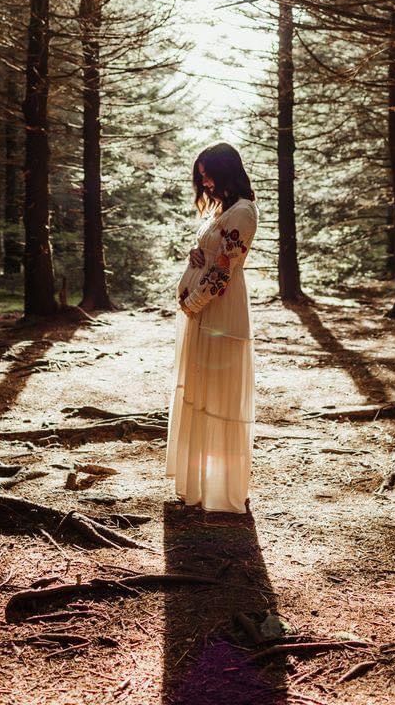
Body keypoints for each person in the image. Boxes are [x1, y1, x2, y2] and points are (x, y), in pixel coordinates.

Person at [165, 141, 258, 514]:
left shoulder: (243, 213)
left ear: (225, 171)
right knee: (202, 391)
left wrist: (193, 302)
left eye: (208, 174)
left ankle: (222, 489)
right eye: (200, 176)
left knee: (219, 395)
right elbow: (211, 258)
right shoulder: (223, 210)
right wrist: (195, 256)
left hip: (220, 313)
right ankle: (200, 484)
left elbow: (223, 272)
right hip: (203, 311)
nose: (203, 182)